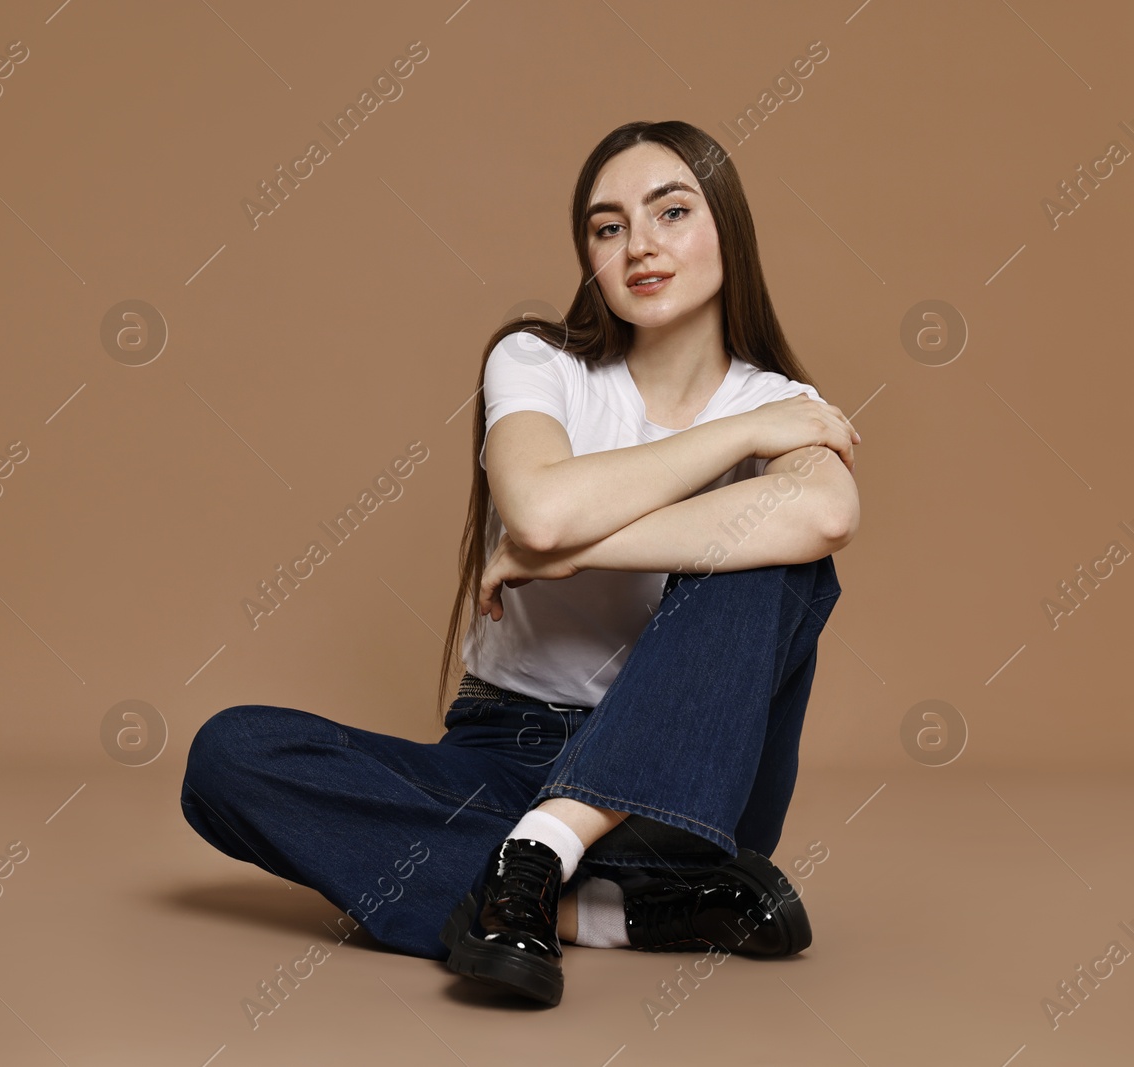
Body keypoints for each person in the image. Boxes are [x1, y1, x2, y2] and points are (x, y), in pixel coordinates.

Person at [180, 119, 860, 1008]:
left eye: (672, 212)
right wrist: (738, 441)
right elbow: (538, 506)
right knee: (230, 755)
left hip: (691, 786)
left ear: (728, 227)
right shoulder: (541, 362)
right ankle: (607, 911)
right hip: (507, 752)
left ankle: (536, 852)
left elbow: (826, 513)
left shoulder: (780, 400)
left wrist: (570, 552)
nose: (640, 246)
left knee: (774, 554)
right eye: (608, 227)